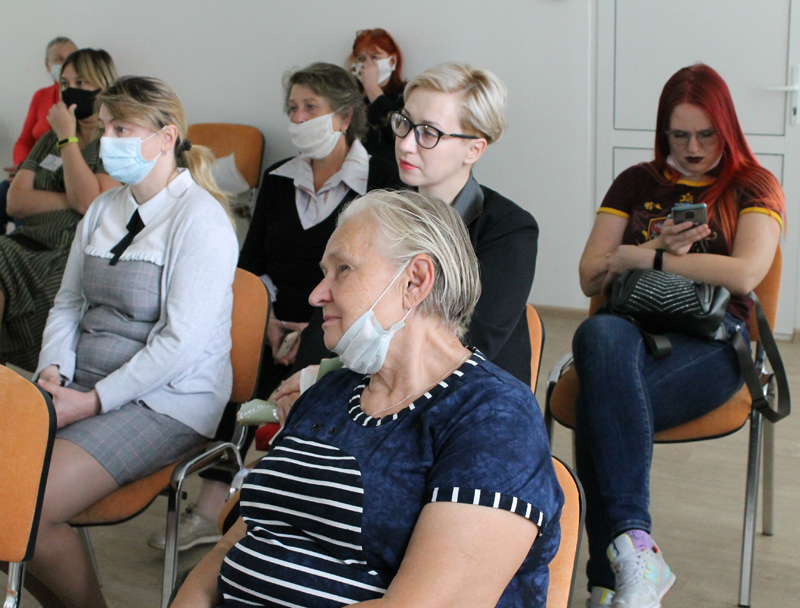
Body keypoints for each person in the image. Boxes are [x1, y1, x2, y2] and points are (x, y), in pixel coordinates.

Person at [171, 190, 563, 608]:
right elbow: (227, 551)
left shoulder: (495, 419)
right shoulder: (329, 393)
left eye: (342, 269)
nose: (316, 295)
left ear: (415, 281)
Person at [145, 62, 401, 553]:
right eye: (292, 108)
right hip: (273, 316)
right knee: (231, 361)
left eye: (310, 108)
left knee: (307, 381)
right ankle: (212, 507)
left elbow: (379, 271)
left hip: (341, 320)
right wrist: (263, 319)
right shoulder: (279, 177)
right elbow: (252, 262)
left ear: (344, 117)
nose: (297, 118)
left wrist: (313, 327)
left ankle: (277, 512)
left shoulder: (382, 180)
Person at [573, 64, 784, 608]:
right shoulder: (636, 182)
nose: (692, 148)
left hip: (714, 342)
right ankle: (637, 555)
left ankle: (608, 579)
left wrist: (649, 258)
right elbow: (591, 277)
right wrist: (656, 247)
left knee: (601, 405)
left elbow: (744, 274)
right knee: (598, 335)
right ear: (662, 132)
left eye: (706, 134)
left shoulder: (753, 184)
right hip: (627, 332)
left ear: (727, 128)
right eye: (679, 135)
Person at [28, 75, 239, 608]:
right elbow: (68, 303)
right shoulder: (104, 208)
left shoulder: (201, 219)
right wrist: (54, 370)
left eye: (122, 129)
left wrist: (91, 402)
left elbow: (179, 345)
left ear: (167, 137)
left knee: (26, 505)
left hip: (168, 401)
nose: (107, 140)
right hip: (81, 386)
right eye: (104, 127)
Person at [279, 61, 538, 416]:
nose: (405, 144)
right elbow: (332, 300)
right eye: (404, 123)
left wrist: (324, 376)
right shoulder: (375, 209)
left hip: (467, 405)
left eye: (428, 132)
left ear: (474, 149)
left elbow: (468, 345)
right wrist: (306, 385)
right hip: (373, 388)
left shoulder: (510, 229)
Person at [3, 48, 119, 371]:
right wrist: (72, 197)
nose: (70, 90)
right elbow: (15, 202)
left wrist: (68, 139)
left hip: (64, 253)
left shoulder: (112, 141)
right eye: (65, 83)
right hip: (24, 242)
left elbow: (89, 204)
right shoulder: (47, 140)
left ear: (103, 86)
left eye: (81, 82)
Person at [1, 36, 78, 234]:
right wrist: (21, 167)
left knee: (24, 208)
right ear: (47, 64)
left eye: (70, 58)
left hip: (60, 177)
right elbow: (24, 141)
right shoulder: (41, 96)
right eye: (58, 59)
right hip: (32, 170)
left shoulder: (82, 100)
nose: (64, 64)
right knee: (4, 192)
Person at [346, 28, 407, 162]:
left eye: (374, 57)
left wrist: (373, 90)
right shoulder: (352, 100)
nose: (367, 64)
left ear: (392, 61)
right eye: (361, 59)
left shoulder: (407, 94)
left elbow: (403, 133)